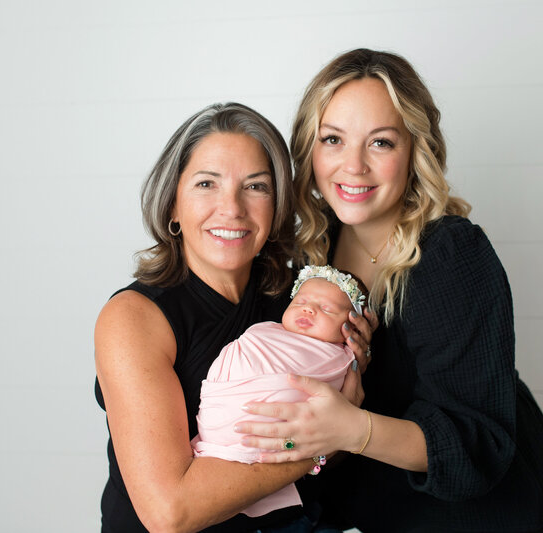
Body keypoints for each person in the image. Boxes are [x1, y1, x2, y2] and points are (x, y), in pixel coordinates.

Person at [234, 49, 543, 532]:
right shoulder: (311, 247)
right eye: (333, 139)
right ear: (309, 149)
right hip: (372, 506)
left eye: (380, 143)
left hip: (474, 510)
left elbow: (477, 441)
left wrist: (351, 428)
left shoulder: (453, 255)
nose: (353, 167)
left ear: (416, 150)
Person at [93, 102, 375, 533]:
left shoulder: (297, 300)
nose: (233, 209)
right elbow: (172, 511)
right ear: (172, 205)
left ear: (277, 205)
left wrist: (350, 370)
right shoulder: (133, 319)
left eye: (256, 187)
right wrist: (331, 435)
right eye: (207, 183)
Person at [193, 265, 367, 519]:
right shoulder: (264, 331)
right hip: (221, 412)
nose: (309, 309)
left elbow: (328, 408)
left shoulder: (337, 359)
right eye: (301, 301)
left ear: (350, 329)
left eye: (327, 308)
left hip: (267, 443)